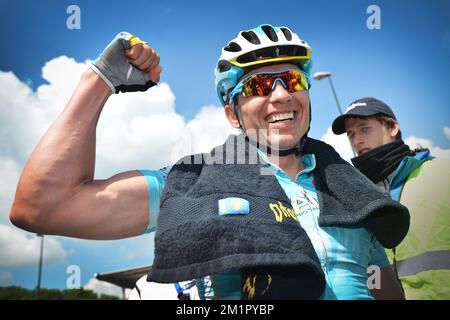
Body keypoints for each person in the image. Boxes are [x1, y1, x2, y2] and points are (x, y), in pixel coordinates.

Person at [10, 25, 408, 300]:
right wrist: (100, 81)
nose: (283, 95)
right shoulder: (191, 184)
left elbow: (386, 290)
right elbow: (42, 207)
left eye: (294, 80)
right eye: (258, 86)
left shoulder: (347, 188)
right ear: (233, 114)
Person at [332, 97, 450, 299]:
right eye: (351, 134)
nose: (357, 140)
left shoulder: (442, 174)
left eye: (364, 129)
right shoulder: (358, 197)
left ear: (393, 127)